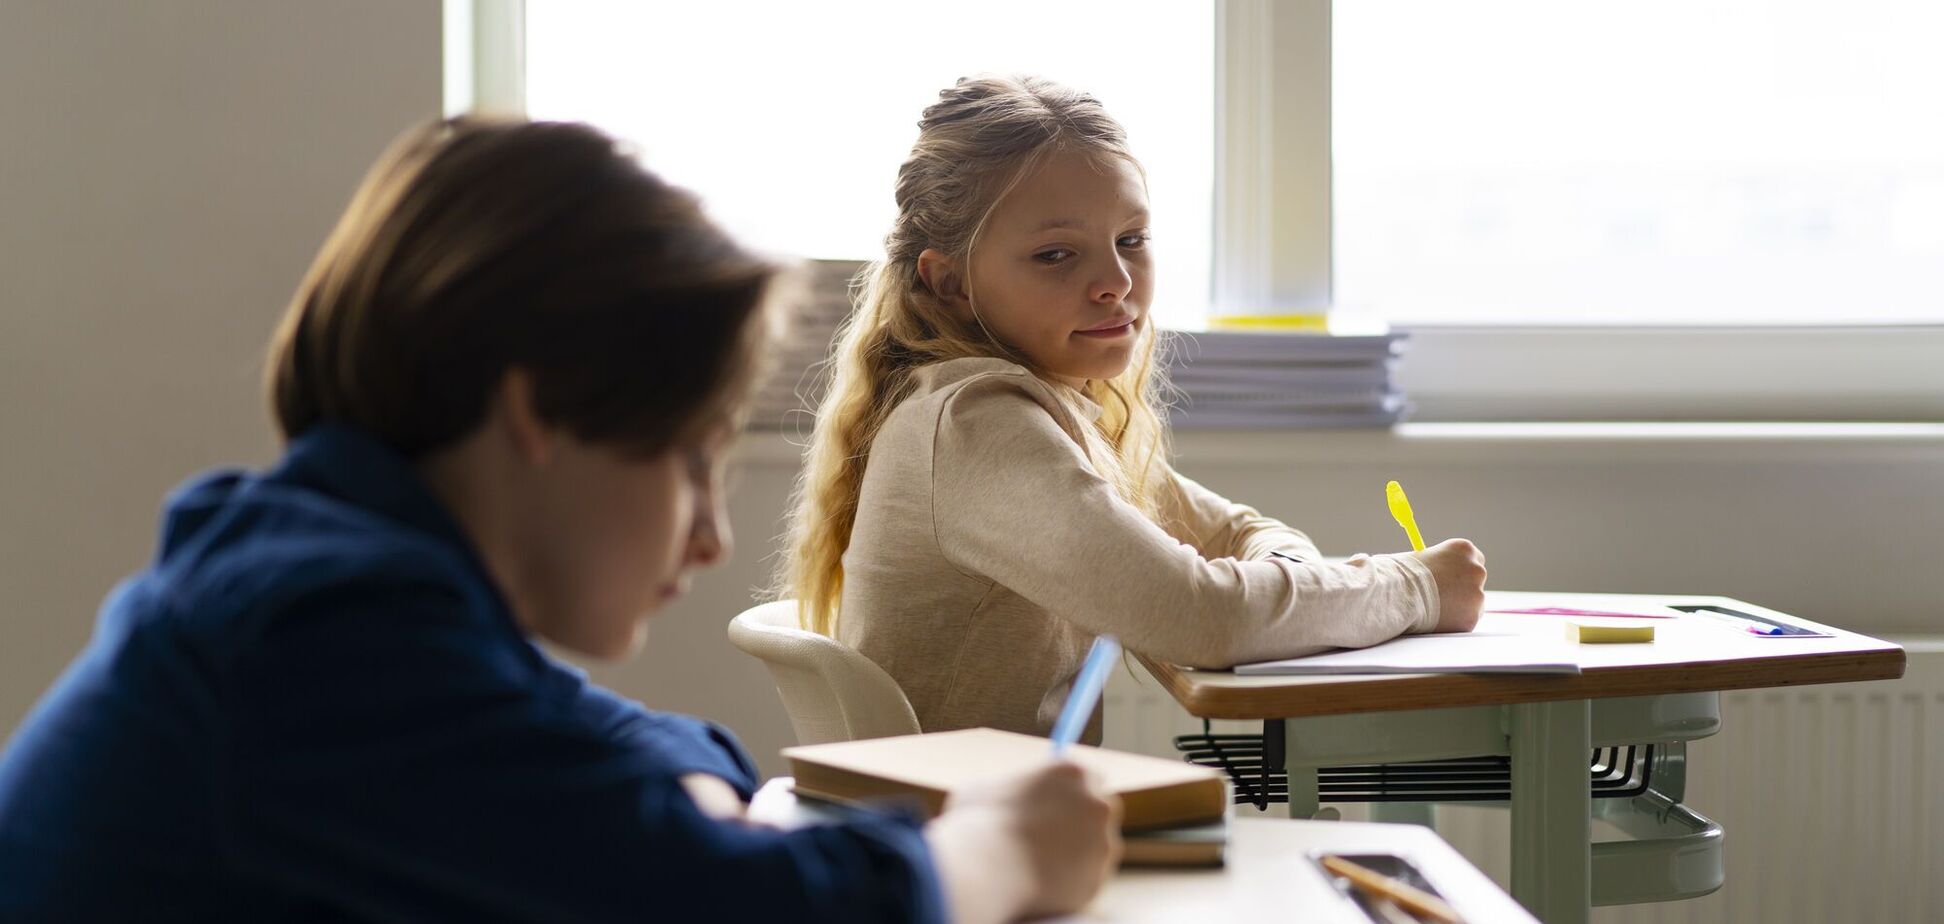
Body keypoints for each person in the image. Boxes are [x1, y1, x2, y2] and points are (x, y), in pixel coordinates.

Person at [0, 116, 1117, 923]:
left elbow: (613, 733)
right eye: (688, 460)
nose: (709, 538)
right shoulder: (313, 631)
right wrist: (989, 855)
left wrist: (672, 799)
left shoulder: (321, 570)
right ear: (539, 410)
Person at [780, 75, 1488, 741]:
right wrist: (1416, 586)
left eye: (1131, 241)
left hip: (995, 822)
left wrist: (1292, 583)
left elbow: (1239, 532)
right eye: (1057, 254)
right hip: (962, 845)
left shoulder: (1048, 412)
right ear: (951, 282)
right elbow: (1204, 616)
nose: (1116, 282)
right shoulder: (977, 424)